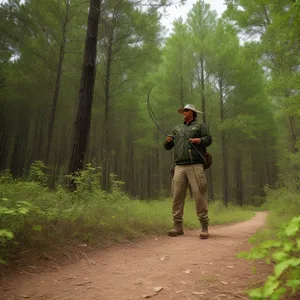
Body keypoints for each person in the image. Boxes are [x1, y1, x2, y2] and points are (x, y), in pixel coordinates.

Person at [164, 104, 212, 239]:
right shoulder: (177, 128)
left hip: (195, 165)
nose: (183, 112)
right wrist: (167, 141)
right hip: (179, 166)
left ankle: (204, 227)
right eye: (183, 111)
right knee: (177, 196)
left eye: (186, 110)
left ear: (192, 112)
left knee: (199, 195)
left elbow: (208, 139)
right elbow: (167, 146)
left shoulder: (200, 126)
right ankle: (177, 226)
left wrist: (199, 140)